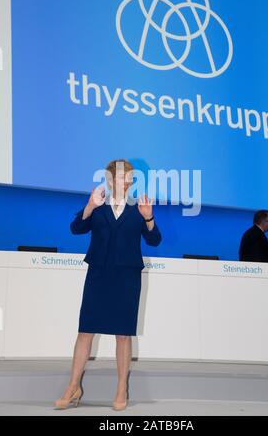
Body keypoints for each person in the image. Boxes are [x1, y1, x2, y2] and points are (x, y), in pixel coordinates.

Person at [54, 159, 162, 411]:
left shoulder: (139, 209)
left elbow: (155, 240)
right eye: (120, 175)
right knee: (85, 331)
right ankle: (73, 387)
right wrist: (90, 206)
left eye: (128, 176)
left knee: (123, 335)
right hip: (99, 275)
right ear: (111, 179)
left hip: (126, 279)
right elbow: (76, 228)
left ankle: (121, 388)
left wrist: (149, 219)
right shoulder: (99, 207)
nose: (124, 179)